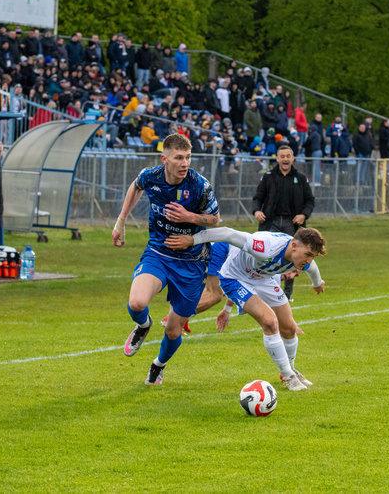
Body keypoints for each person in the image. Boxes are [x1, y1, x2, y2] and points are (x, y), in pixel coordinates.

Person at [112, 133, 220, 386]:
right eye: (179, 158)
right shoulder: (151, 176)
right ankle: (143, 325)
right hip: (159, 253)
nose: (185, 163)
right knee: (137, 302)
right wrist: (121, 221)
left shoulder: (199, 185)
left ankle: (158, 365)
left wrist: (189, 217)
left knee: (173, 330)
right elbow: (136, 185)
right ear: (165, 159)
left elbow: (215, 220)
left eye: (188, 157)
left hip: (192, 262)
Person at [166, 226, 327, 391]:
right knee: (270, 322)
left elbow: (313, 270)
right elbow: (228, 233)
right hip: (235, 278)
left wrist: (317, 284)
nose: (308, 260)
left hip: (263, 278)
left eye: (312, 256)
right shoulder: (265, 246)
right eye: (308, 255)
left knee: (289, 327)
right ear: (294, 245)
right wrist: (192, 240)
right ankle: (288, 376)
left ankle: (291, 369)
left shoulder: (303, 259)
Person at [251, 145, 316, 300]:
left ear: (292, 158)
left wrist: (303, 215)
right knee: (265, 255)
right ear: (277, 158)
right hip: (270, 222)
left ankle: (287, 294)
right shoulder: (268, 177)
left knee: (293, 257)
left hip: (291, 223)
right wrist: (256, 211)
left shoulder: (300, 178)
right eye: (282, 156)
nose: (285, 159)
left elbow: (310, 201)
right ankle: (263, 290)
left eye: (288, 156)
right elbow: (258, 198)